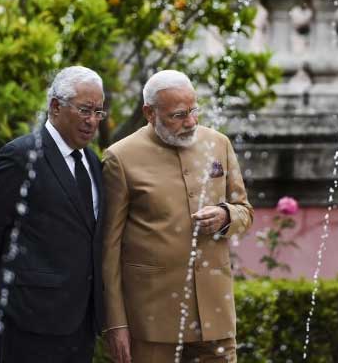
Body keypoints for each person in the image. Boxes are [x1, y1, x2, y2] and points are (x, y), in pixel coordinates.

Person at [102, 70, 253, 362]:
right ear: (149, 112)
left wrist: (225, 216)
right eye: (179, 115)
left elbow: (244, 211)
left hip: (215, 315)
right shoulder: (120, 157)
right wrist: (116, 323)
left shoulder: (218, 144)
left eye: (194, 110)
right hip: (151, 320)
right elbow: (108, 247)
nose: (191, 122)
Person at [0, 66, 106, 363]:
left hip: (81, 320)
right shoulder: (20, 156)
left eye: (99, 112)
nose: (92, 121)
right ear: (56, 106)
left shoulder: (93, 162)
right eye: (85, 110)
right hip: (29, 317)